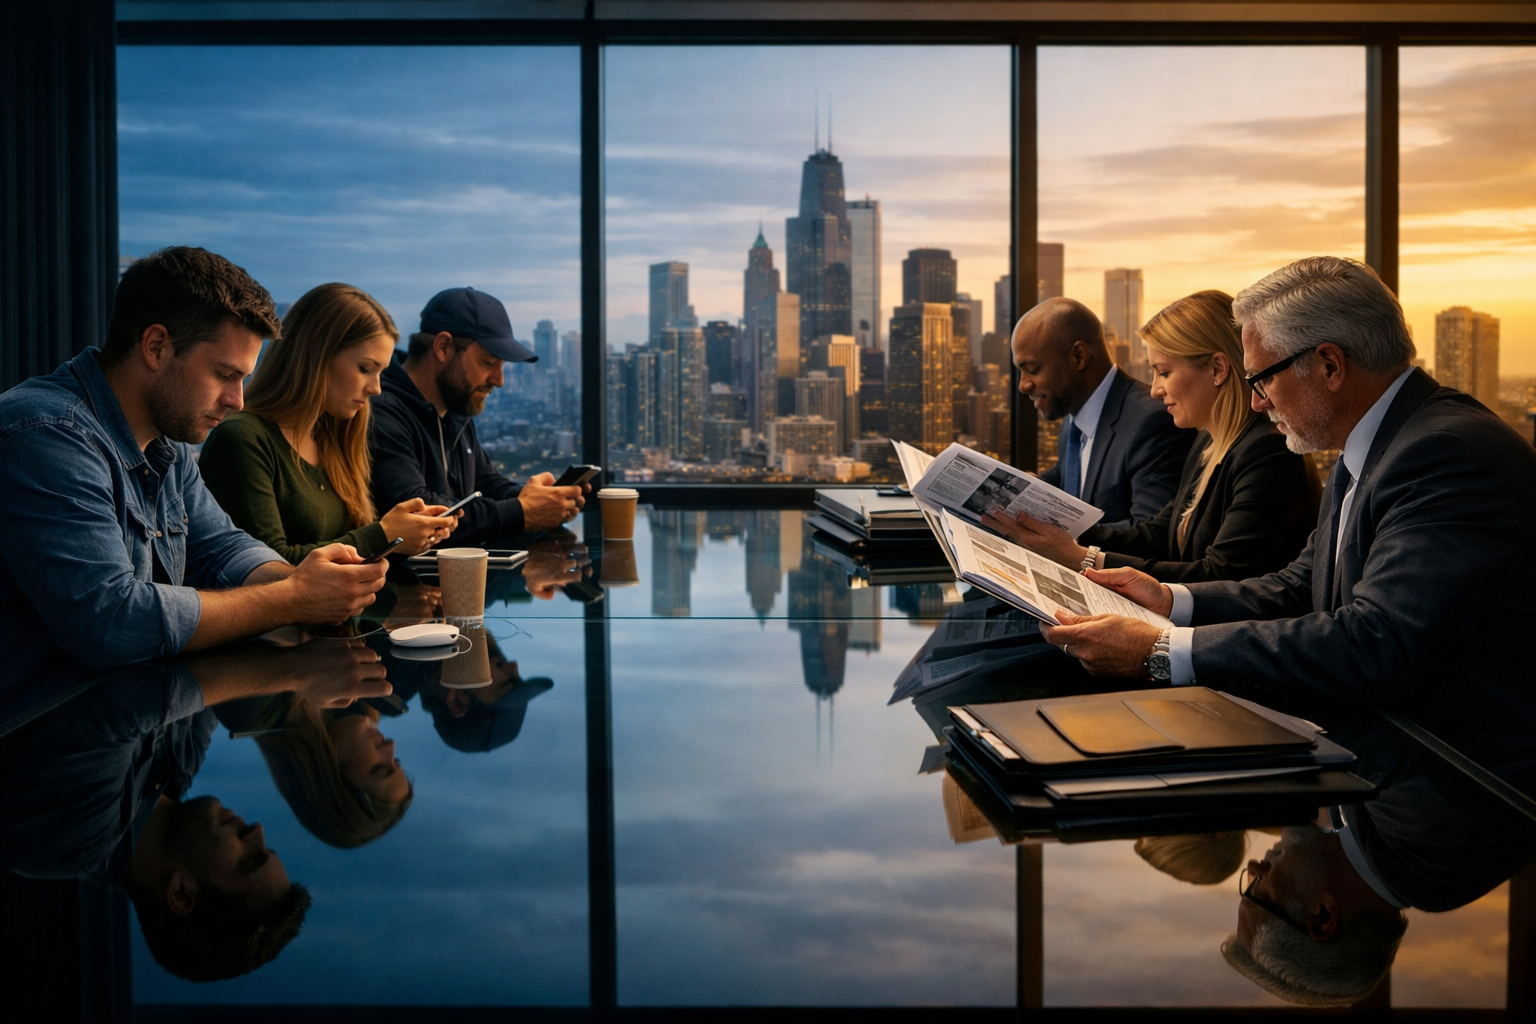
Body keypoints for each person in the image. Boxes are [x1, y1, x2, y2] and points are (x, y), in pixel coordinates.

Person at [1039, 257, 1536, 716]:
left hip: (1453, 781)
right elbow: (1299, 586)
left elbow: (1377, 642)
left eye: (1262, 380)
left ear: (1329, 365)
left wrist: (1160, 650)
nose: (1256, 403)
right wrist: (1168, 600)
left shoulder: (1444, 454)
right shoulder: (1374, 444)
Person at [0, 247, 388, 677]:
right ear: (156, 346)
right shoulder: (47, 433)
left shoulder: (168, 440)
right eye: (224, 375)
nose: (237, 400)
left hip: (136, 718)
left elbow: (222, 547)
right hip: (40, 731)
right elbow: (110, 622)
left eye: (243, 379)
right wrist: (293, 598)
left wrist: (308, 585)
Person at [986, 291, 1318, 582]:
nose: (1156, 390)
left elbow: (1220, 575)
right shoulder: (1208, 443)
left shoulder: (1267, 452)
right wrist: (1053, 531)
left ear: (1217, 369)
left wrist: (1082, 558)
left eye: (1164, 372)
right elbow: (1157, 535)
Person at [200, 283, 458, 562]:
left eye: (380, 373)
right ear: (317, 356)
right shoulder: (242, 439)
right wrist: (383, 535)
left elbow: (351, 556)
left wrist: (404, 538)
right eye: (365, 369)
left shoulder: (334, 437)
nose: (376, 388)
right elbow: (267, 568)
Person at [369, 287, 586, 545]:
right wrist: (522, 512)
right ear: (444, 347)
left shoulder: (454, 409)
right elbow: (420, 512)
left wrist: (538, 499)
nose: (499, 380)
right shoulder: (381, 411)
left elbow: (487, 485)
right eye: (488, 363)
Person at [1015, 297, 1195, 530]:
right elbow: (1070, 480)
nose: (1023, 385)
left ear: (1079, 356)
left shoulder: (1154, 422)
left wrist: (1061, 538)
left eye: (1032, 370)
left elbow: (1152, 533)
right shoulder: (1074, 418)